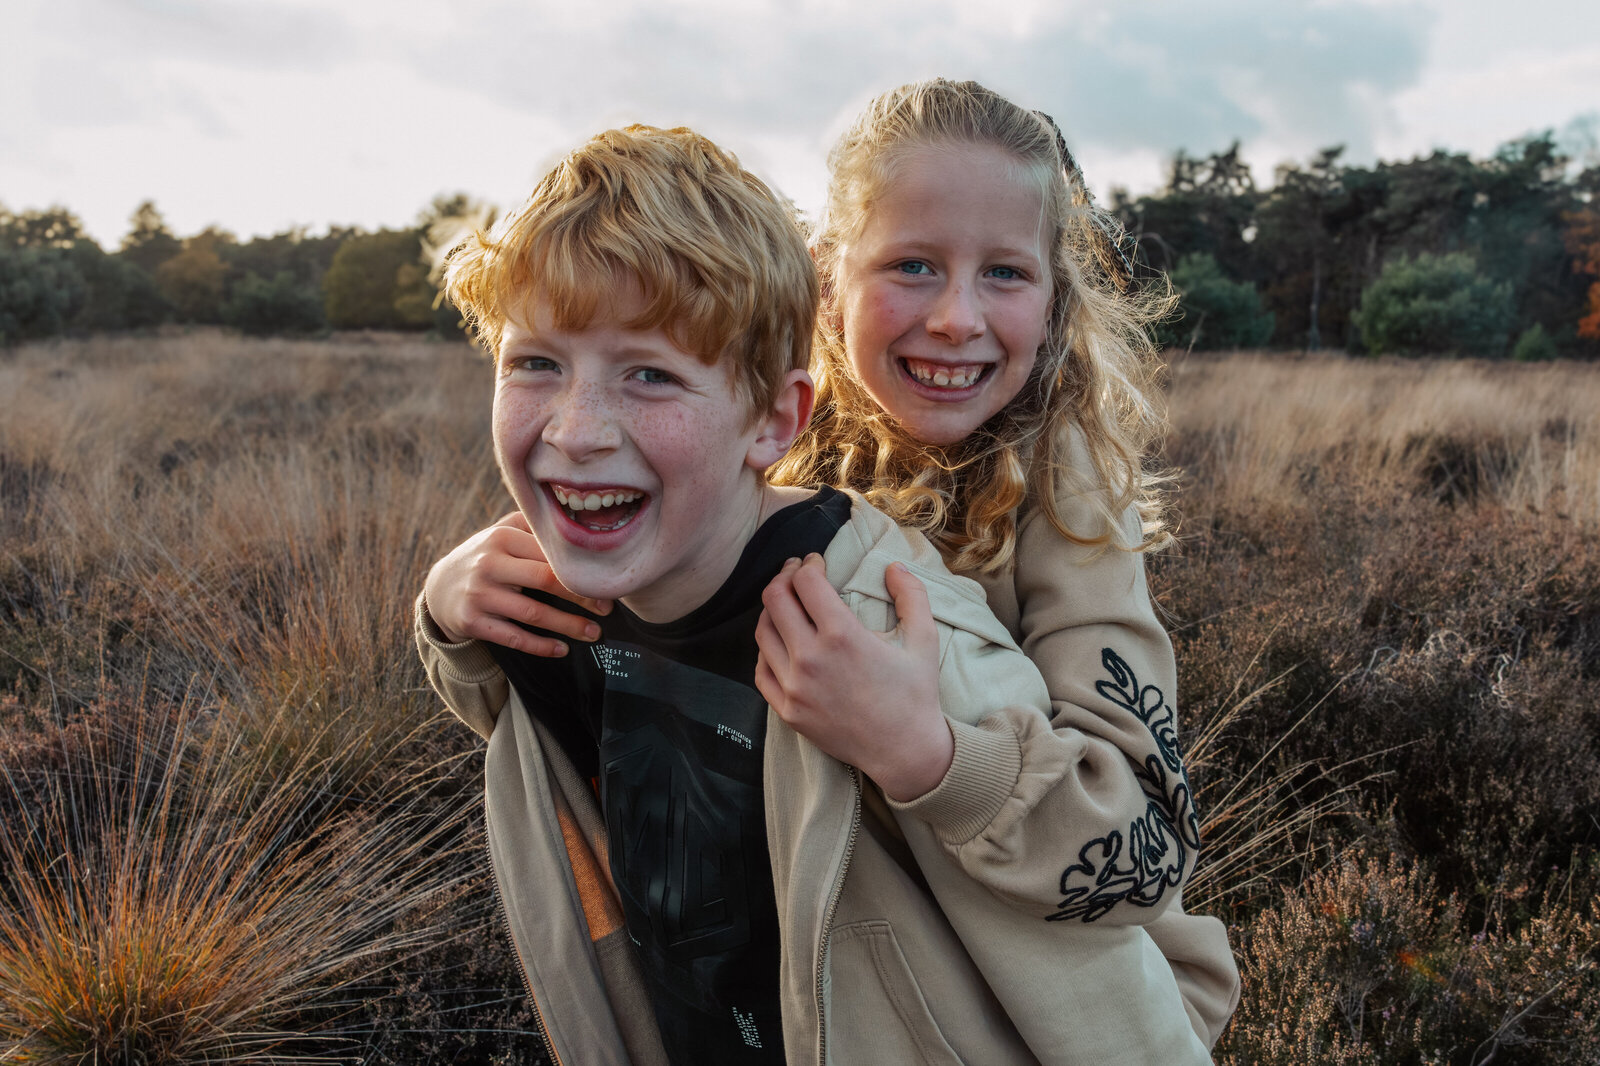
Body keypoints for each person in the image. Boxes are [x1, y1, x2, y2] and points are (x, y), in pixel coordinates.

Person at [416, 120, 1214, 1065]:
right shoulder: (722, 452)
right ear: (833, 280)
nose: (956, 316)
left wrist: (926, 752)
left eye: (1005, 273)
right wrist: (452, 619)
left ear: (1055, 300)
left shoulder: (1067, 511)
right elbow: (610, 713)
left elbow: (1146, 850)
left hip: (1056, 974)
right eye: (913, 266)